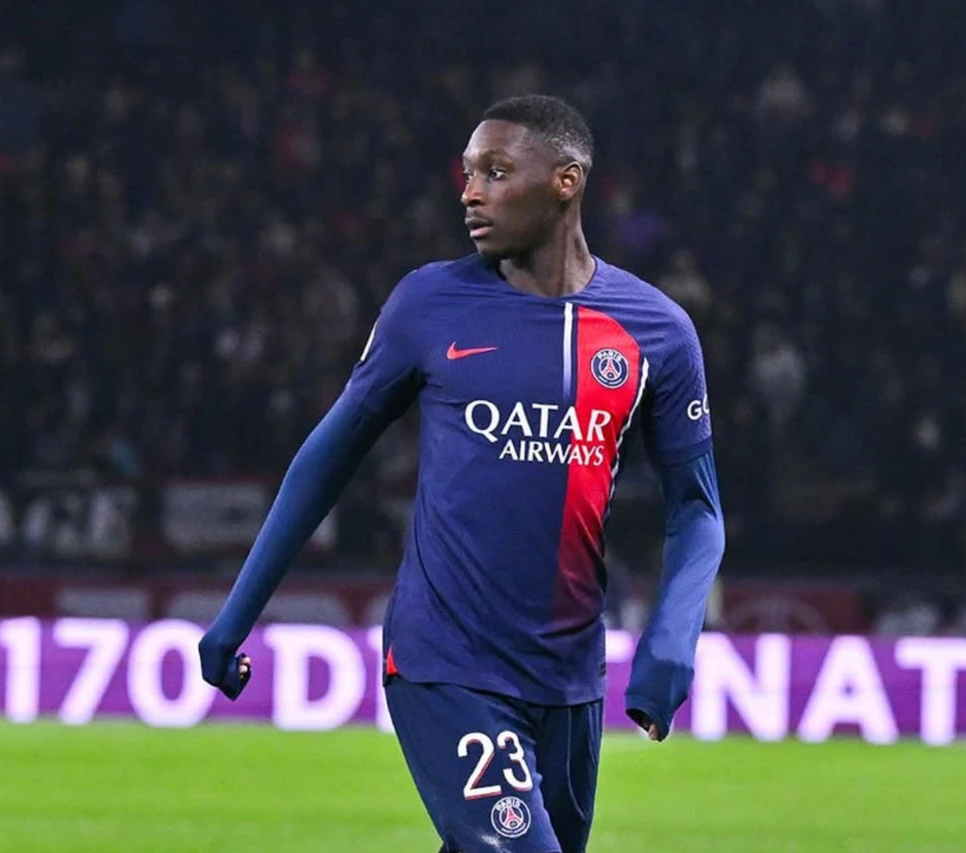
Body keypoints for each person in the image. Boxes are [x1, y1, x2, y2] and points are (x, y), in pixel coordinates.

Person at [198, 94, 726, 853]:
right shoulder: (429, 305)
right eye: (468, 173)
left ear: (566, 181)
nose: (470, 192)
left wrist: (671, 642)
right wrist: (237, 611)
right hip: (445, 658)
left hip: (569, 675)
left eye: (497, 171)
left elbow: (698, 510)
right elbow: (325, 460)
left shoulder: (656, 332)